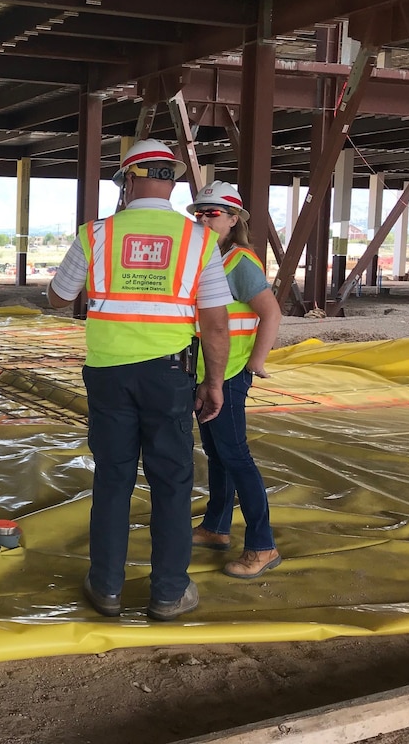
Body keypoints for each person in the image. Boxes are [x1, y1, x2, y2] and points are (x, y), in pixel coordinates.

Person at [47, 139, 232, 621]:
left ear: (127, 180)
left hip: (108, 374)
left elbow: (57, 296)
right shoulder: (200, 240)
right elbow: (214, 323)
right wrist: (214, 383)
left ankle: (106, 588)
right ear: (171, 181)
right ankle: (169, 593)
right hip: (170, 375)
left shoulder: (95, 235)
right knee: (171, 482)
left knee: (113, 477)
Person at [186, 181, 283, 578]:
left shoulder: (237, 261)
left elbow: (271, 313)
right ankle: (216, 528)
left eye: (213, 213)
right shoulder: (206, 257)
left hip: (227, 374)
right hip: (208, 371)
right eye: (199, 212)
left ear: (233, 219)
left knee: (236, 456)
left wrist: (256, 361)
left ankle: (262, 546)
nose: (204, 218)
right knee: (218, 453)